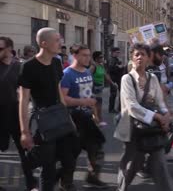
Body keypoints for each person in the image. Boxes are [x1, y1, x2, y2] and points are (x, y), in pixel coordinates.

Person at [19, 28, 79, 191]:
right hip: (43, 120)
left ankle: (60, 183)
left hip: (60, 117)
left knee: (70, 159)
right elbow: (24, 100)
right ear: (44, 43)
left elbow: (58, 89)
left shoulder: (56, 62)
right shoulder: (28, 66)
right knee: (48, 166)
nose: (61, 43)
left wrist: (68, 116)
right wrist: (25, 132)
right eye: (57, 40)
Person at [114, 43, 173, 191]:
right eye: (137, 54)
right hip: (133, 127)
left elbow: (160, 101)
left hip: (152, 129)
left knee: (160, 165)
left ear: (149, 58)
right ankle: (121, 188)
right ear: (132, 58)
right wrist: (158, 117)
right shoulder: (127, 79)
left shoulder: (153, 78)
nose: (140, 57)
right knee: (131, 165)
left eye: (143, 54)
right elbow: (132, 106)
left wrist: (166, 114)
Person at [60, 44, 108, 188]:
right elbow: (63, 99)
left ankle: (92, 177)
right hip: (73, 119)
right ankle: (66, 183)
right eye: (84, 55)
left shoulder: (87, 72)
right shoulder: (67, 74)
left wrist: (95, 115)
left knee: (97, 149)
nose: (88, 58)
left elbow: (90, 95)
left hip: (87, 118)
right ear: (75, 56)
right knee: (71, 155)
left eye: (89, 55)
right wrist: (83, 102)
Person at [0, 37, 37, 191]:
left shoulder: (20, 67)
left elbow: (28, 92)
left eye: (0, 48)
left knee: (24, 150)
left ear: (9, 49)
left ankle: (31, 184)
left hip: (15, 114)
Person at [90, 51, 116, 126]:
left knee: (99, 104)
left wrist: (112, 83)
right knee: (95, 105)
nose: (102, 58)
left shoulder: (101, 66)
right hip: (94, 88)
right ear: (96, 58)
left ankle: (99, 120)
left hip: (100, 87)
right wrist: (92, 85)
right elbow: (89, 76)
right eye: (100, 57)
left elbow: (106, 75)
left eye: (102, 57)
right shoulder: (93, 66)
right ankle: (97, 121)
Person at [108, 47, 124, 113]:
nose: (118, 54)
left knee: (121, 93)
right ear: (113, 52)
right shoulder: (111, 60)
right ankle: (111, 109)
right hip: (113, 78)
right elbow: (110, 69)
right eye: (117, 52)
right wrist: (118, 67)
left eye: (119, 52)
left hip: (118, 78)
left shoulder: (116, 59)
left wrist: (120, 66)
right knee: (113, 94)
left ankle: (119, 108)